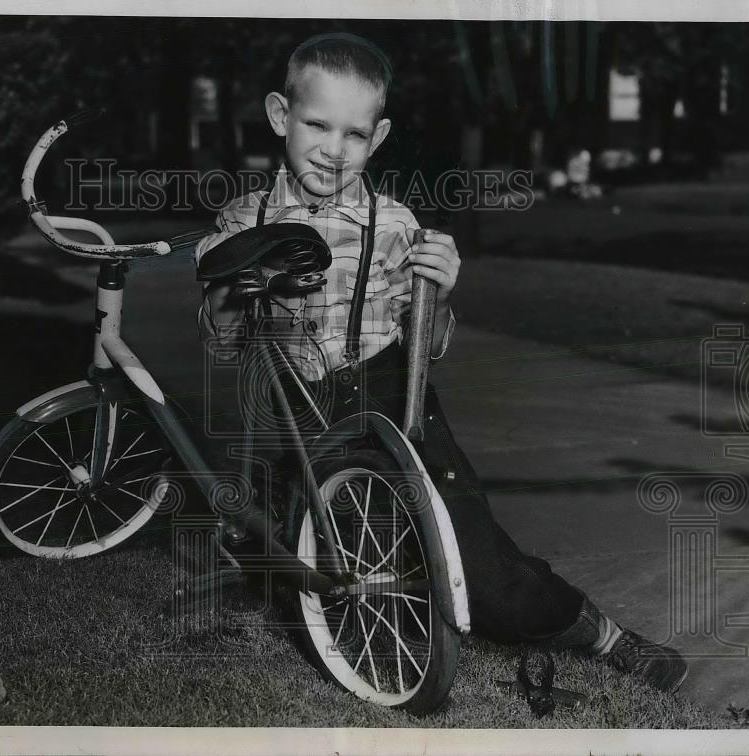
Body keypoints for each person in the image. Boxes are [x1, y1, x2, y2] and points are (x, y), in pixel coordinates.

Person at [194, 31, 687, 692]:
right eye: (317, 124)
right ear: (281, 115)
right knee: (323, 566)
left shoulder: (395, 225)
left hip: (387, 398)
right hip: (296, 420)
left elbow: (427, 349)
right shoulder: (240, 220)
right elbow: (223, 344)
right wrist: (232, 292)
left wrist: (438, 293)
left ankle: (603, 635)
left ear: (379, 135)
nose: (334, 150)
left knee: (481, 578)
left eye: (355, 133)